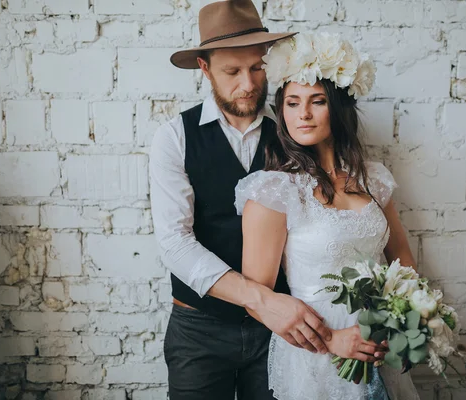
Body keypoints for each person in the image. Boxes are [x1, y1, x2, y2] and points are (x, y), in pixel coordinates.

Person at [150, 2, 386, 399]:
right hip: (201, 328)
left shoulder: (297, 129)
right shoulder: (175, 137)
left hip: (283, 332)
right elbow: (175, 243)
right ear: (205, 69)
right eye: (232, 71)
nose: (248, 84)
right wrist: (262, 300)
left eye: (257, 68)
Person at [234, 32, 421, 399]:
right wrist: (331, 341)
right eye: (291, 102)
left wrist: (396, 323)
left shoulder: (375, 180)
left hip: (379, 343)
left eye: (316, 101)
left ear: (337, 106)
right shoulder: (274, 191)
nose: (302, 113)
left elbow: (404, 262)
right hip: (317, 351)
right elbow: (256, 298)